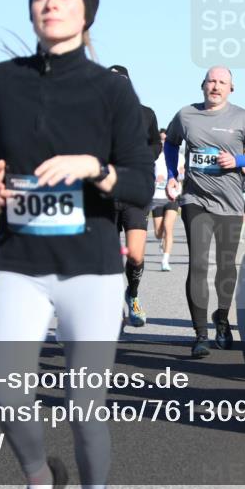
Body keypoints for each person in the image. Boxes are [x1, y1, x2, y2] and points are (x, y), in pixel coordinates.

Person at [0, 0, 153, 489]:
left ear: (86, 10)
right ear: (30, 10)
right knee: (6, 391)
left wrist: (93, 168)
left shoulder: (112, 91)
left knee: (84, 406)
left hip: (91, 269)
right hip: (20, 262)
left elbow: (141, 184)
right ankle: (40, 481)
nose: (51, 3)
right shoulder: (3, 81)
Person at [164, 66, 245, 358]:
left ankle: (222, 318)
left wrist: (236, 159)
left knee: (226, 265)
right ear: (203, 85)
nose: (216, 86)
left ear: (231, 89)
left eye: (222, 82)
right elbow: (171, 143)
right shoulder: (185, 115)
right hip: (195, 200)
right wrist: (173, 175)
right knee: (198, 264)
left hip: (231, 203)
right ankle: (200, 335)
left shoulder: (242, 118)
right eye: (211, 81)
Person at [107, 65, 161, 328]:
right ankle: (109, 303)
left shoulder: (146, 114)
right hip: (103, 194)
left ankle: (133, 294)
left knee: (136, 255)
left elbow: (156, 144)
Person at [151, 129, 179, 272]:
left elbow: (182, 172)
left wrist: (180, 174)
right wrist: (154, 179)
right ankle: (161, 240)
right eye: (161, 139)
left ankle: (165, 260)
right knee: (158, 232)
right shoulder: (154, 156)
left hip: (172, 196)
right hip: (156, 197)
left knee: (168, 227)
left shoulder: (177, 156)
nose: (163, 142)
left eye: (165, 140)